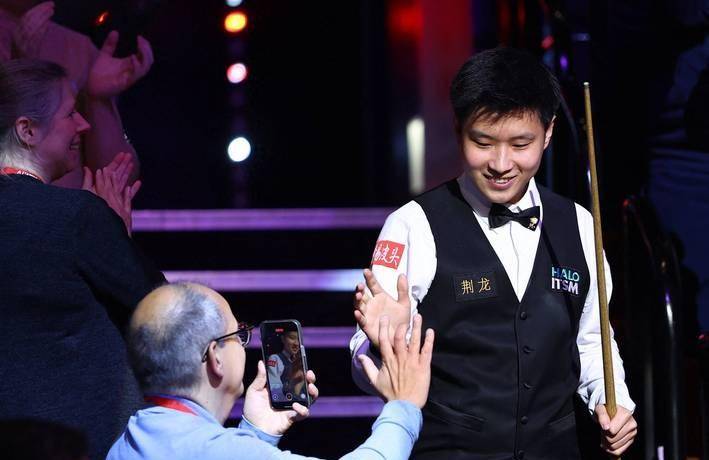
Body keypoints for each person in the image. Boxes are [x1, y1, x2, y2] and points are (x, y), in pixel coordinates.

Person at [349, 47, 638, 459]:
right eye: (482, 142)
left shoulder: (578, 223)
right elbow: (364, 365)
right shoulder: (414, 224)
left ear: (548, 132)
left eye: (521, 144)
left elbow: (592, 341)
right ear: (458, 129)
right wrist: (384, 345)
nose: (501, 164)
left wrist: (615, 404)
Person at [0, 59, 164, 459]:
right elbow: (163, 311)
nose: (83, 125)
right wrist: (114, 234)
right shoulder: (76, 217)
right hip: (75, 446)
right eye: (70, 113)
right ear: (27, 130)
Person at [108, 282, 435, 460]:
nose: (244, 344)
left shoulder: (126, 443)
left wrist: (256, 433)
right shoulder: (224, 451)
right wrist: (402, 407)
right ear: (215, 357)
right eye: (238, 335)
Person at [0, 0, 153, 187]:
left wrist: (99, 100)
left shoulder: (78, 47)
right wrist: (23, 74)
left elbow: (120, 180)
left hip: (68, 204)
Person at [267, 330, 307, 401]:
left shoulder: (301, 362)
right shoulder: (275, 358)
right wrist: (292, 383)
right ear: (283, 339)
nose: (297, 343)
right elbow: (274, 390)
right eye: (292, 338)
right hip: (282, 403)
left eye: (299, 339)